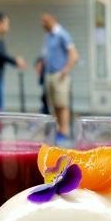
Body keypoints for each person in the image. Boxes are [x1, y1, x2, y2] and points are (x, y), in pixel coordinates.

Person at [41, 13, 79, 142]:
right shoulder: (48, 36)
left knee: (62, 104)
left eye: (45, 21)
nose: (43, 25)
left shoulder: (62, 35)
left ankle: (65, 131)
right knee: (55, 105)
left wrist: (65, 69)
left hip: (59, 75)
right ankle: (59, 130)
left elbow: (74, 55)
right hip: (50, 74)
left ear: (52, 20)